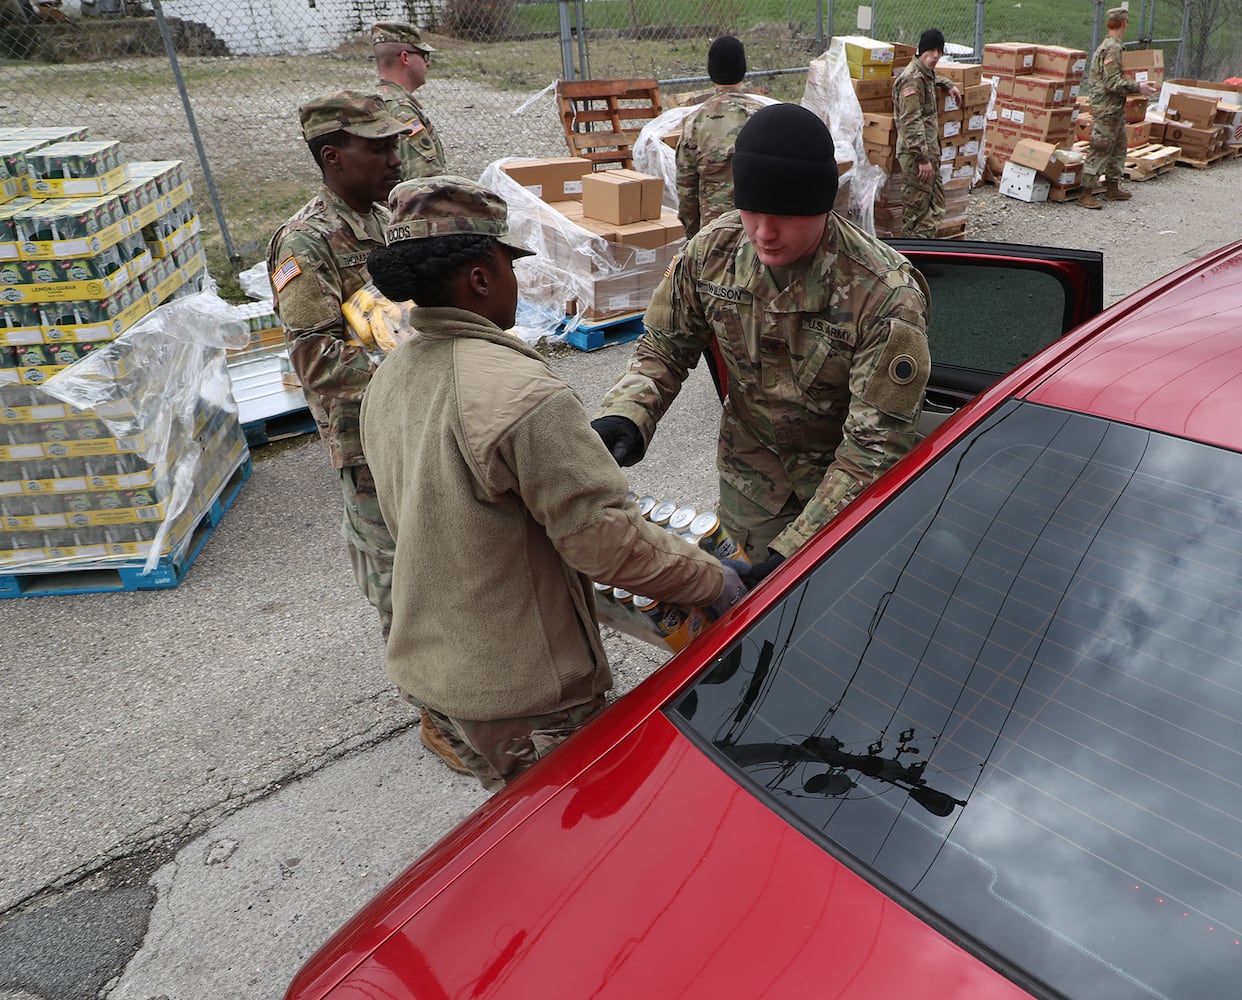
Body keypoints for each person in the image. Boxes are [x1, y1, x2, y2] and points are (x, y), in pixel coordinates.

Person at [359, 176, 746, 790]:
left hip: (438, 677)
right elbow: (604, 543)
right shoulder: (522, 396)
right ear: (481, 278)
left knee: (520, 826)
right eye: (509, 266)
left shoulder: (390, 376)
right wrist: (713, 581)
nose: (518, 281)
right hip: (526, 695)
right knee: (584, 831)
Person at [591, 104, 933, 586]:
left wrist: (794, 552)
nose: (764, 233)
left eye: (786, 216)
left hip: (845, 494)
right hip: (751, 483)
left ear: (822, 205)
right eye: (752, 210)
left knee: (836, 613)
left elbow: (875, 448)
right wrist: (627, 412)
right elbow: (666, 346)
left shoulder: (883, 295)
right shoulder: (713, 252)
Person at [268, 92, 462, 772]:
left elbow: (401, 318)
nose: (393, 157)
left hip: (416, 428)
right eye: (376, 148)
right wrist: (411, 373)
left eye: (392, 145)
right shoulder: (306, 243)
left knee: (442, 566)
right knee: (400, 586)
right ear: (332, 156)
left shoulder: (383, 219)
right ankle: (437, 718)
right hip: (366, 447)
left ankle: (461, 688)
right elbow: (316, 361)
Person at [676, 35, 763, 239]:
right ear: (743, 69)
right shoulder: (765, 116)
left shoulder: (695, 122)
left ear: (711, 71)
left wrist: (694, 237)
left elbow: (686, 189)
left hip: (715, 234)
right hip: (760, 231)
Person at [1079, 7, 1158, 210]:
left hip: (1114, 106)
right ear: (1124, 24)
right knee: (1101, 146)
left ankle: (1112, 185)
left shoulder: (1112, 45)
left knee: (1119, 144)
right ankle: (1085, 192)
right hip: (1107, 106)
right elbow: (1112, 81)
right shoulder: (1113, 48)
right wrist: (1138, 86)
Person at [892, 28, 962, 237]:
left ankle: (923, 250)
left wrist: (948, 84)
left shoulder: (926, 74)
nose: (935, 56)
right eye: (930, 51)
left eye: (939, 51)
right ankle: (914, 256)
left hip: (930, 152)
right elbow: (910, 122)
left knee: (936, 208)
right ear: (921, 51)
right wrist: (922, 158)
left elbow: (932, 80)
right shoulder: (911, 80)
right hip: (917, 156)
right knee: (916, 214)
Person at [372, 21, 448, 180]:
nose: (427, 64)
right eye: (424, 55)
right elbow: (425, 186)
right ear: (405, 58)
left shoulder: (373, 101)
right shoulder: (402, 111)